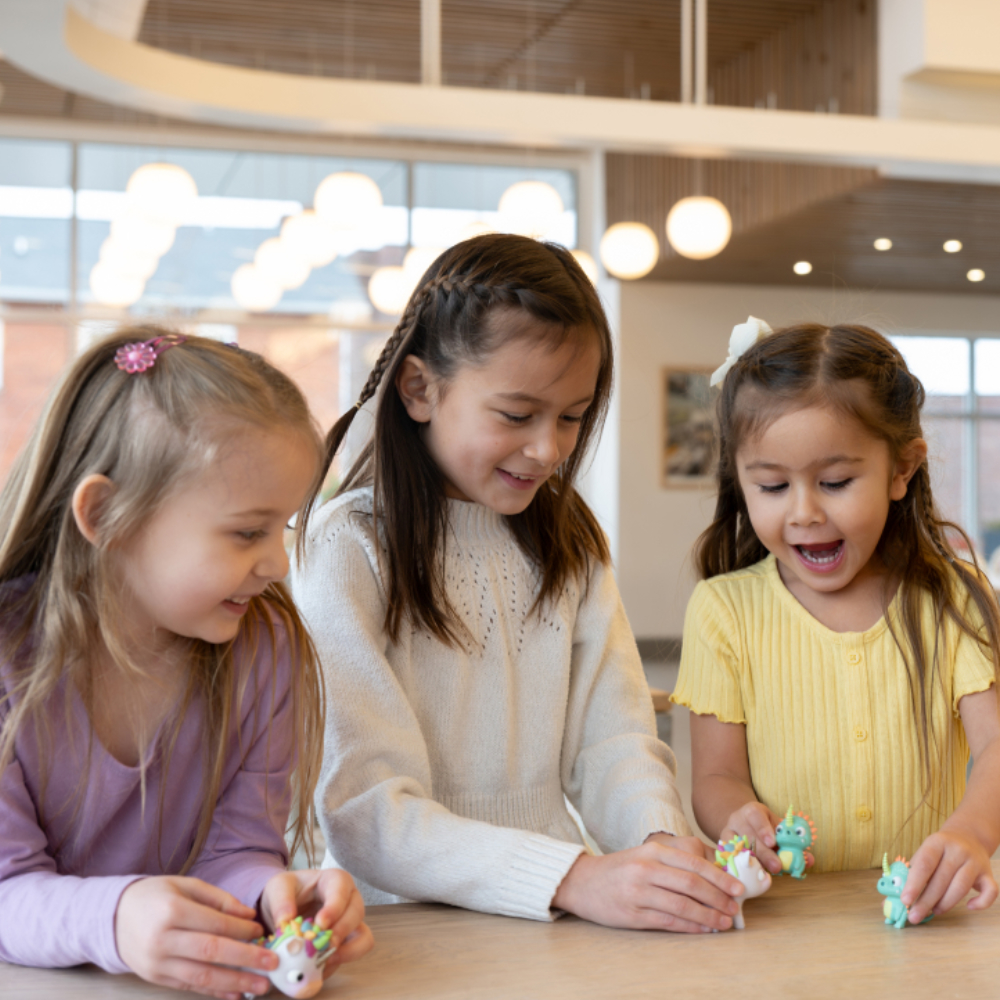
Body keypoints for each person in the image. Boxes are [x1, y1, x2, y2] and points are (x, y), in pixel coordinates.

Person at [293, 234, 744, 934]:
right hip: (399, 930)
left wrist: (657, 844)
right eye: (516, 415)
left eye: (572, 417)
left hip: (555, 915)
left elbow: (614, 739)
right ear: (419, 389)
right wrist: (572, 876)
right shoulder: (348, 546)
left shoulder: (569, 539)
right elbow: (367, 812)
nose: (550, 449)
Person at [0, 330, 372, 996]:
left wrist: (271, 898)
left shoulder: (264, 649)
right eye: (246, 532)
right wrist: (116, 919)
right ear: (108, 514)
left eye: (283, 527)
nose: (279, 564)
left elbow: (235, 851)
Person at [674, 318, 1000, 925]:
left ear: (902, 469)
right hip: (792, 924)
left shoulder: (954, 597)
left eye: (835, 482)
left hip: (931, 913)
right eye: (772, 485)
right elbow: (717, 776)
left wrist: (973, 833)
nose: (804, 512)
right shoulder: (725, 612)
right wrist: (739, 815)